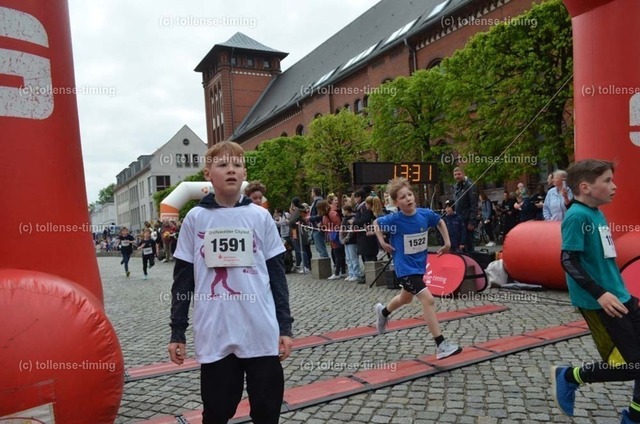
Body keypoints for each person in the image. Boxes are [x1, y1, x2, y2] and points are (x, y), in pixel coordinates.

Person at [168, 141, 293, 424]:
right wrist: (177, 332)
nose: (231, 170)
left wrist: (285, 326)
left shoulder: (260, 217)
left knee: (267, 412)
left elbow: (277, 275)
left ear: (244, 172)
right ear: (208, 174)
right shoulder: (195, 219)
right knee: (217, 412)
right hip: (215, 330)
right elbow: (182, 281)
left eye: (237, 165)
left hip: (260, 330)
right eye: (223, 165)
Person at [551, 159, 640, 423]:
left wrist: (622, 291)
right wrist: (600, 293)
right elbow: (568, 260)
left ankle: (634, 417)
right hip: (601, 302)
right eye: (608, 181)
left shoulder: (596, 213)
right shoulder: (577, 216)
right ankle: (570, 376)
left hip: (621, 296)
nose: (614, 186)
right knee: (630, 366)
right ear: (585, 187)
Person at [373, 178, 462, 360]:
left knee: (405, 299)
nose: (408, 199)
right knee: (428, 299)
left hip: (419, 266)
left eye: (410, 194)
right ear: (396, 203)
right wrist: (382, 242)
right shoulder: (394, 220)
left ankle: (383, 312)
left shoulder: (424, 214)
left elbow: (440, 222)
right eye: (402, 197)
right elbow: (376, 224)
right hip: (404, 269)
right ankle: (441, 345)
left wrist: (447, 242)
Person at [452, 167, 478, 252]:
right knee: (461, 244)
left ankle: (471, 258)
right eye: (455, 175)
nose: (457, 176)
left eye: (459, 174)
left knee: (468, 244)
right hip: (459, 219)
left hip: (467, 219)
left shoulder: (470, 185)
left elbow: (474, 204)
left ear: (463, 174)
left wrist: (472, 221)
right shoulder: (456, 187)